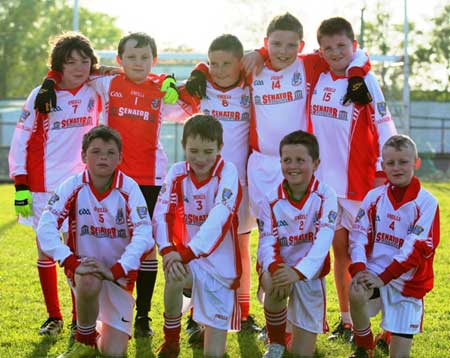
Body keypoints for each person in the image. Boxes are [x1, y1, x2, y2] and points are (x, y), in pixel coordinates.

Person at [34, 32, 186, 338]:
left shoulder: (159, 90)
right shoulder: (109, 83)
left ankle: (142, 316)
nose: (138, 63)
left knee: (147, 249)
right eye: (131, 57)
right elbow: (78, 69)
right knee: (103, 237)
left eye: (145, 58)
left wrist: (175, 84)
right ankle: (95, 307)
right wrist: (50, 81)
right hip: (111, 177)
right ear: (120, 61)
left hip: (149, 179)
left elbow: (187, 108)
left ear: (154, 60)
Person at [308, 17, 397, 341]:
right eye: (328, 47)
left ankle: (390, 328)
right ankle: (347, 322)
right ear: (320, 50)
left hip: (361, 186)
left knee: (375, 257)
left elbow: (386, 128)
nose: (335, 53)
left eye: (342, 46)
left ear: (354, 46)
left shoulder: (365, 80)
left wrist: (381, 173)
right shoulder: (317, 75)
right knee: (340, 252)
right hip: (328, 187)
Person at [8, 31, 100, 336]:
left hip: (79, 186)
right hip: (42, 187)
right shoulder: (41, 94)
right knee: (46, 252)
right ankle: (53, 317)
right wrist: (20, 184)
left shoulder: (96, 90)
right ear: (58, 65)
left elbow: (118, 74)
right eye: (70, 62)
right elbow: (20, 141)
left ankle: (78, 318)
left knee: (78, 254)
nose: (78, 68)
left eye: (84, 61)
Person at [36, 125, 154, 358]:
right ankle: (84, 342)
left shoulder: (129, 188)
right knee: (88, 280)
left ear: (120, 158)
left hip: (118, 277)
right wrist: (71, 261)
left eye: (111, 153)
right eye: (96, 151)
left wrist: (117, 269)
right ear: (83, 156)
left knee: (114, 353)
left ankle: (97, 330)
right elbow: (45, 227)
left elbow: (144, 234)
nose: (103, 157)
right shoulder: (72, 186)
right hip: (85, 271)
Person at [182, 34, 259, 336]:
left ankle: (243, 312)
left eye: (226, 63)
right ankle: (196, 315)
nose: (219, 69)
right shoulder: (201, 88)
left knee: (240, 246)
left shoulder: (252, 87)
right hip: (203, 183)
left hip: (240, 183)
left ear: (240, 63)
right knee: (201, 246)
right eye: (213, 63)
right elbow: (163, 90)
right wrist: (199, 71)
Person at [153, 114, 242, 357]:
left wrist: (186, 253)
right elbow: (161, 213)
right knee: (173, 275)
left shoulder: (229, 173)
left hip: (220, 270)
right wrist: (167, 249)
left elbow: (220, 217)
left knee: (213, 355)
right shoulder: (176, 172)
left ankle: (206, 326)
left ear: (220, 148)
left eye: (208, 151)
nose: (200, 158)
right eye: (193, 150)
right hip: (187, 262)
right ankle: (171, 340)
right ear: (183, 146)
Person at [347, 134, 440, 358]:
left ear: (416, 163)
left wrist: (385, 277)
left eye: (403, 162)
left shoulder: (427, 203)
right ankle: (364, 346)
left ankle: (388, 335)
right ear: (383, 165)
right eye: (390, 163)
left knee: (399, 356)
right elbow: (358, 235)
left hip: (407, 282)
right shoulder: (374, 197)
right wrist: (360, 270)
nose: (397, 168)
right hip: (374, 273)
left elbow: (416, 247)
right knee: (356, 290)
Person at [257, 130, 337, 358]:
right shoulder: (270, 199)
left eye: (300, 160)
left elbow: (323, 240)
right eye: (286, 160)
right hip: (280, 270)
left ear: (316, 163)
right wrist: (278, 270)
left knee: (303, 354)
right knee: (274, 283)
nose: (293, 166)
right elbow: (266, 243)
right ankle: (276, 342)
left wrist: (299, 272)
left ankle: (292, 328)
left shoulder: (326, 195)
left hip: (309, 274)